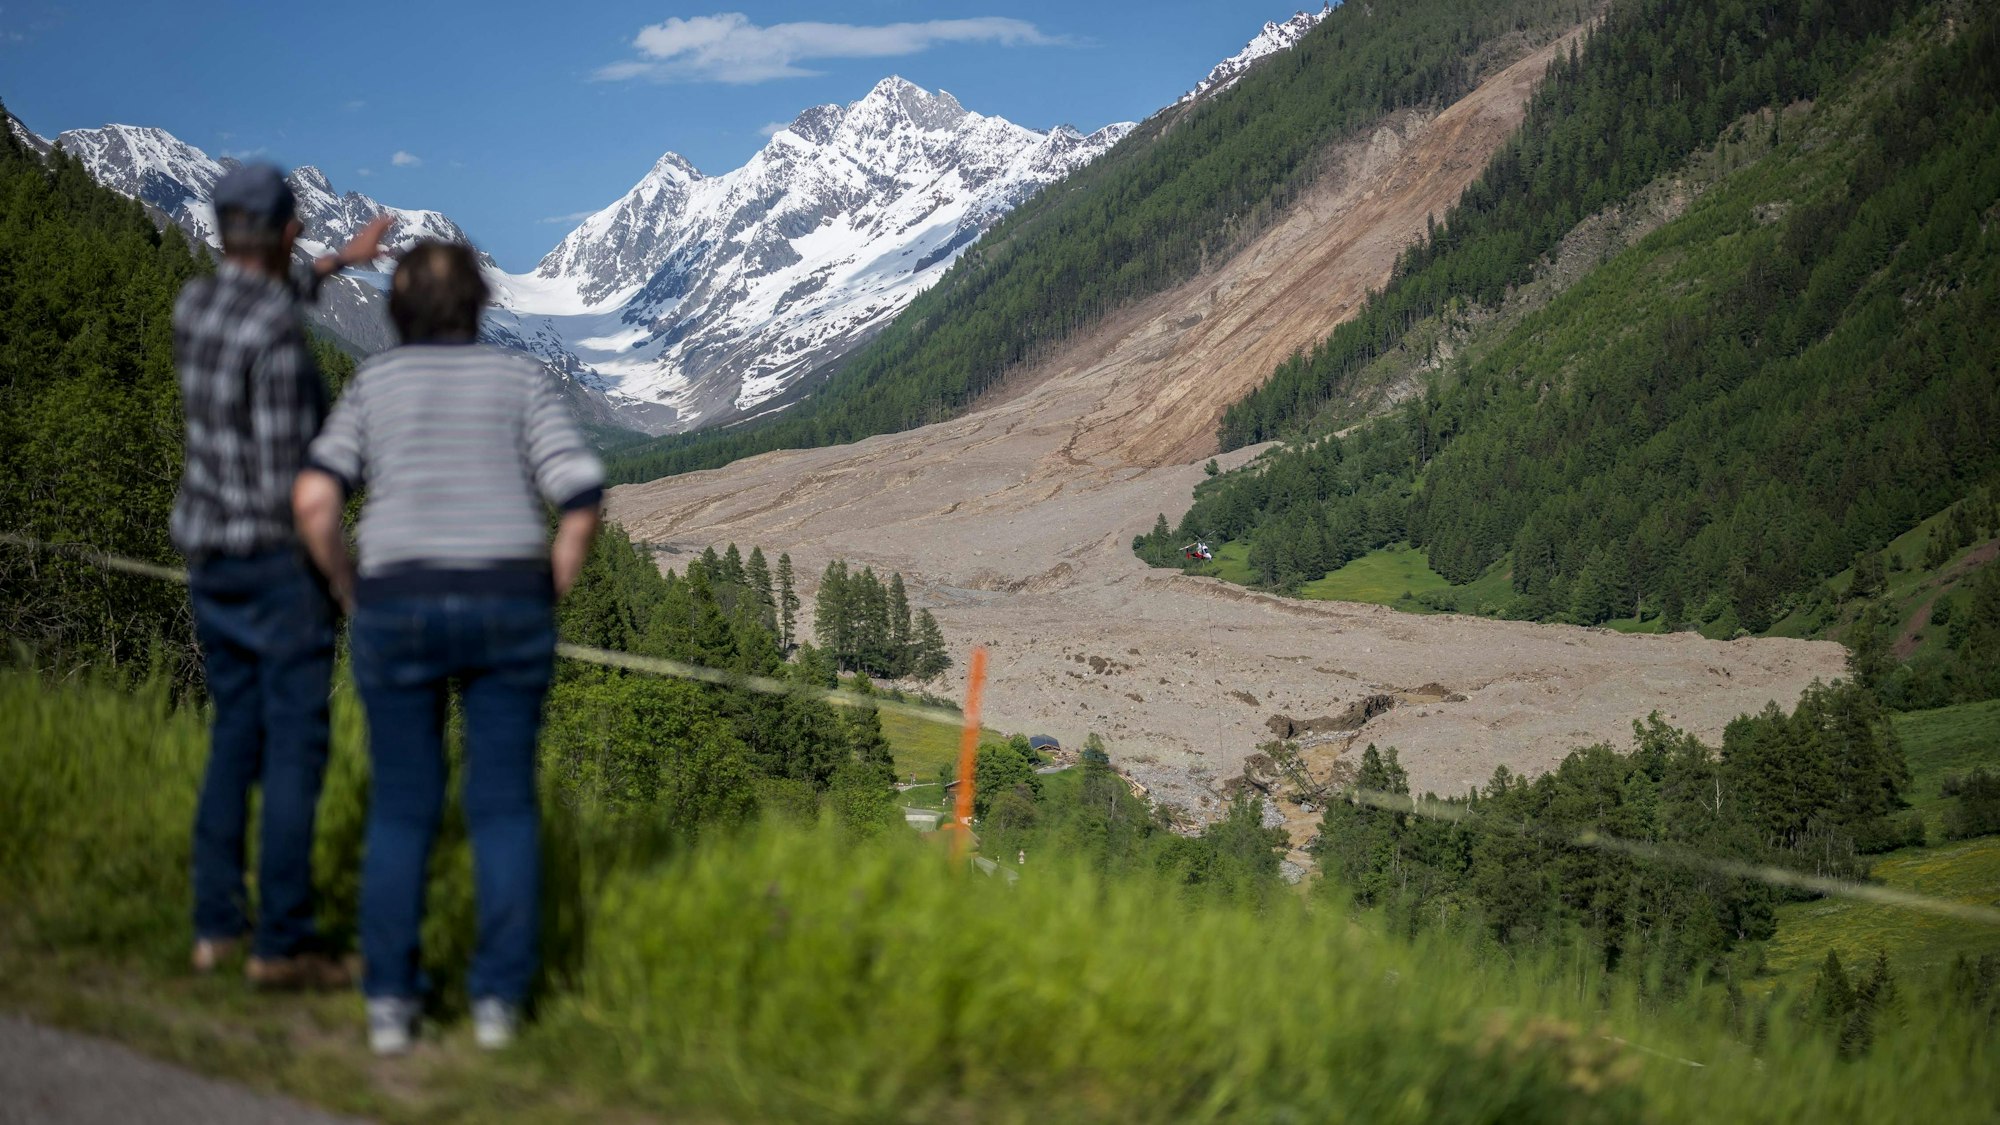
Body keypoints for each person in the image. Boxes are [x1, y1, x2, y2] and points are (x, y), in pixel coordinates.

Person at [293, 239, 604, 1055]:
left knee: (402, 806)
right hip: (509, 602)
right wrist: (552, 585)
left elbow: (316, 501)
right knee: (501, 804)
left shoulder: (374, 384)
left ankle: (391, 1004)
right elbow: (579, 495)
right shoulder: (520, 379)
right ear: (479, 304)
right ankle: (499, 1003)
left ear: (396, 311)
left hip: (396, 602)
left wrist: (348, 588)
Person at [172, 163, 388, 988]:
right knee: (297, 751)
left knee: (234, 735)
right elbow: (309, 495)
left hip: (210, 556)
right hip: (277, 567)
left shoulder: (197, 307)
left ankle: (216, 927)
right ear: (288, 230)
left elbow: (270, 290)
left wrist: (339, 262)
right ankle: (284, 944)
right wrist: (345, 586)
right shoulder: (283, 347)